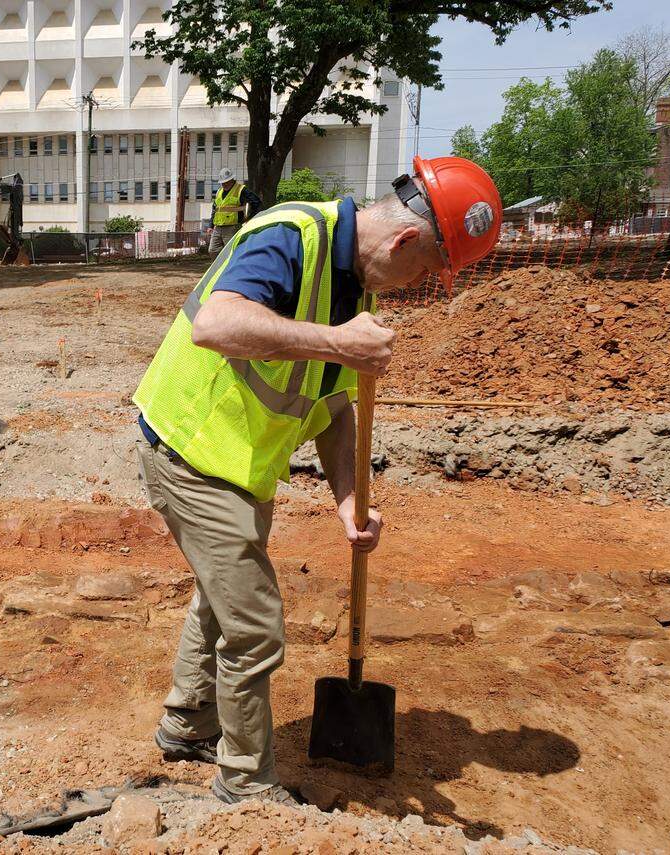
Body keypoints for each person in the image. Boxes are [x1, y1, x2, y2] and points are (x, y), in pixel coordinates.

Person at [133, 157, 502, 805]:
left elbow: (333, 410)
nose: (412, 289)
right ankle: (244, 783)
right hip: (189, 447)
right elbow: (216, 323)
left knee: (223, 597)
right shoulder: (291, 237)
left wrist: (350, 500)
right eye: (420, 274)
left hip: (241, 461)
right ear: (404, 241)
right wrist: (336, 342)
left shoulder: (356, 289)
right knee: (254, 626)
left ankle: (187, 723)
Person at [208, 167, 263, 255]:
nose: (223, 184)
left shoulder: (241, 190)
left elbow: (257, 203)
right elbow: (215, 209)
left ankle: (231, 268)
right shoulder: (219, 191)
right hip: (218, 227)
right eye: (222, 182)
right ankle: (222, 268)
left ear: (232, 180)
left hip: (232, 227)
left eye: (226, 182)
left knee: (231, 252)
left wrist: (249, 219)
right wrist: (210, 225)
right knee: (213, 250)